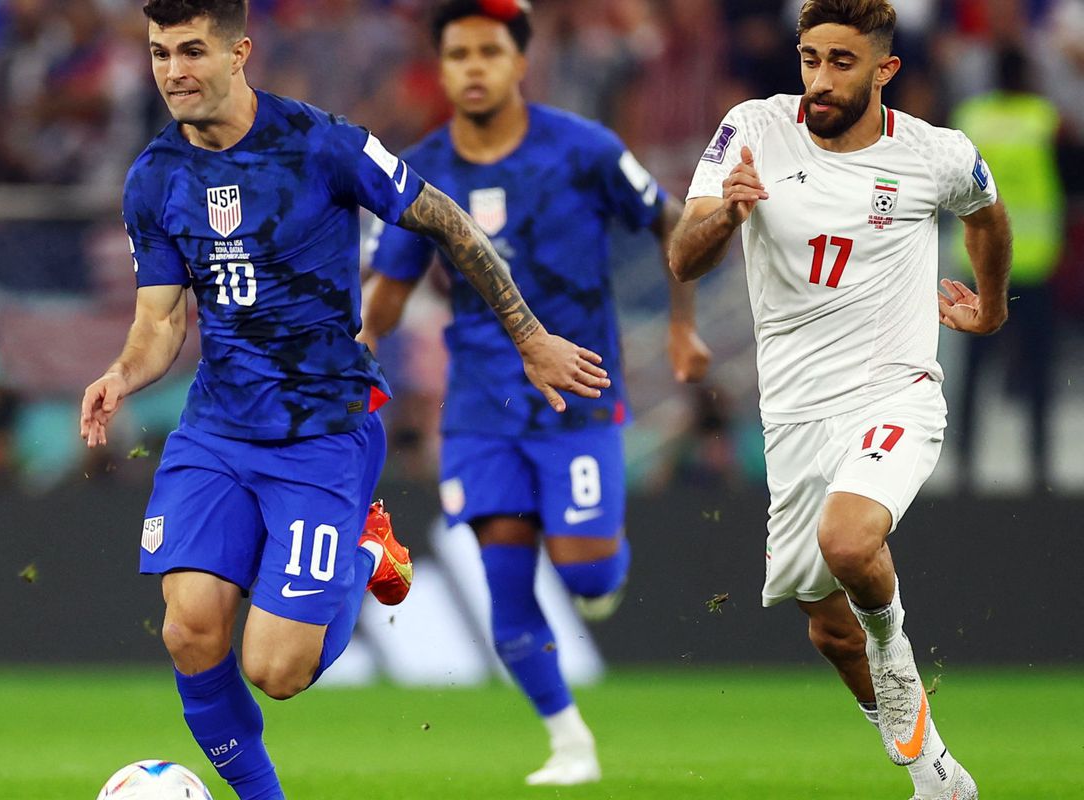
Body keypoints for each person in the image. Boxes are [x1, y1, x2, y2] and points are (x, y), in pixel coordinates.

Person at [80, 2, 612, 798]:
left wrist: (529, 337)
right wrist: (124, 373)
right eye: (160, 53)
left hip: (323, 432)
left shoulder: (323, 143)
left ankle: (366, 552)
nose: (173, 71)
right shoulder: (154, 178)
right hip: (217, 431)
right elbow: (159, 321)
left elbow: (445, 220)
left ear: (239, 52)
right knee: (188, 629)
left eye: (192, 51)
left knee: (276, 671)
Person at [361, 1, 710, 786]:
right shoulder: (419, 173)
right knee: (505, 577)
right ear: (441, 68)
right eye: (458, 54)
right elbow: (389, 290)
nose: (473, 67)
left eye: (489, 52)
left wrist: (682, 325)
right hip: (480, 408)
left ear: (521, 62)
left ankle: (601, 573)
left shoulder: (584, 149)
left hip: (579, 397)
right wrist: (358, 351)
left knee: (587, 574)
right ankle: (568, 741)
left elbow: (672, 221)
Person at [669, 2, 1010, 798]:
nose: (820, 80)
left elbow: (988, 216)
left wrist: (991, 308)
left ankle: (893, 643)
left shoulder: (934, 153)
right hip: (794, 415)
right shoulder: (753, 130)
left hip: (894, 391)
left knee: (850, 543)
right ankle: (937, 776)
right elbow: (684, 257)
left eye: (841, 63)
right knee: (829, 630)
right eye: (810, 59)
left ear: (885, 70)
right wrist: (728, 214)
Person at [950, 47, 1064, 493]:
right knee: (1039, 368)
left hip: (979, 261)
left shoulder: (970, 119)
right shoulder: (1044, 119)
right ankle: (1040, 466)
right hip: (1033, 261)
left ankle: (963, 465)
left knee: (974, 370)